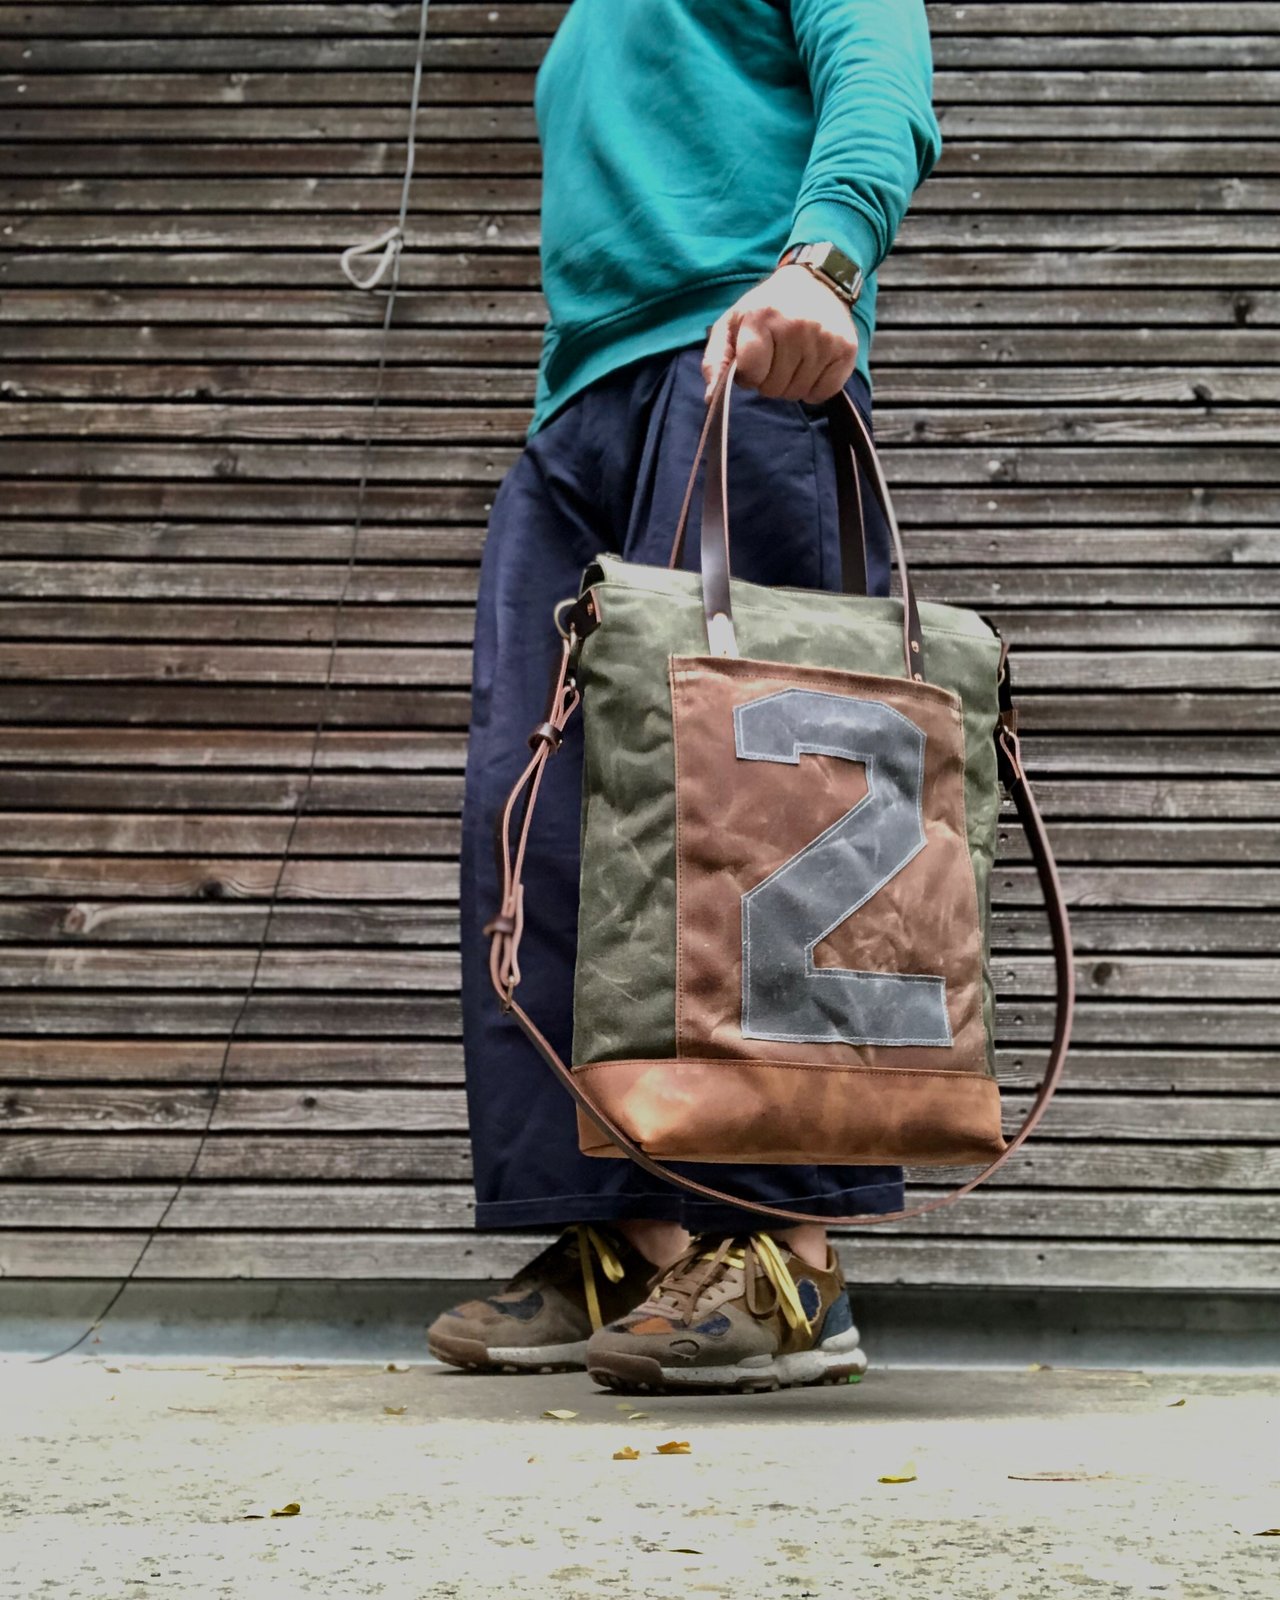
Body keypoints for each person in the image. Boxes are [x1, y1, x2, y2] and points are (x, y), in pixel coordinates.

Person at [428, 0, 943, 1393]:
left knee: (765, 805)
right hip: (580, 407)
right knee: (532, 822)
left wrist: (826, 260)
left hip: (741, 355)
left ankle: (785, 1258)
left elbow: (881, 65)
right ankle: (629, 1235)